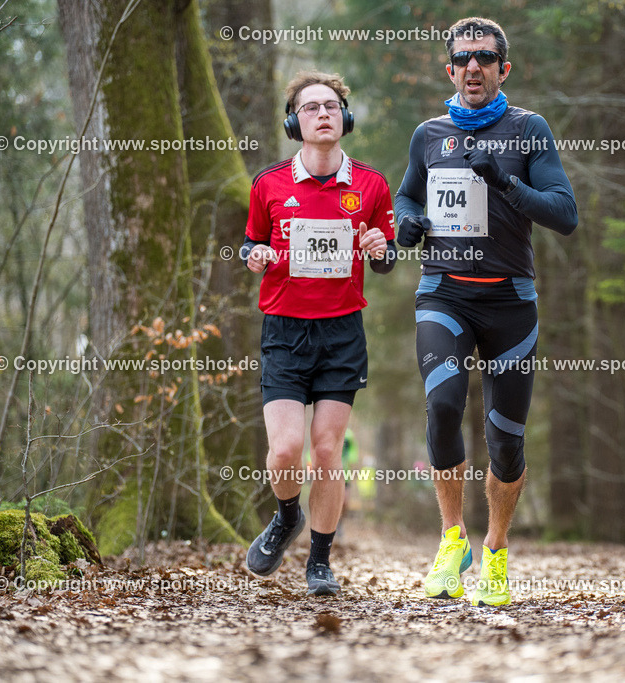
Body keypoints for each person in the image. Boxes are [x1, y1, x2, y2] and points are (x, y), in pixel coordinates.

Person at [394, 17, 578, 606]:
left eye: (485, 57)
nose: (473, 66)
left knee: (506, 439)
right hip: (444, 294)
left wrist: (507, 184)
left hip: (509, 302)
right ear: (449, 70)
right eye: (462, 59)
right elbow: (407, 194)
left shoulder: (528, 130)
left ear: (504, 68)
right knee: (444, 404)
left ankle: (495, 550)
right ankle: (453, 541)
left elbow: (565, 214)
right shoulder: (429, 134)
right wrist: (406, 222)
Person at [242, 70, 396, 596]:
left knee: (327, 452)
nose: (322, 114)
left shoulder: (371, 185)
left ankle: (320, 562)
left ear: (345, 118)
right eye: (310, 107)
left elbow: (386, 258)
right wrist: (255, 256)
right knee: (286, 451)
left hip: (341, 332)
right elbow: (251, 243)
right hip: (284, 330)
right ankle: (288, 516)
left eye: (331, 105)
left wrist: (380, 249)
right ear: (294, 122)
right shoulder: (269, 184)